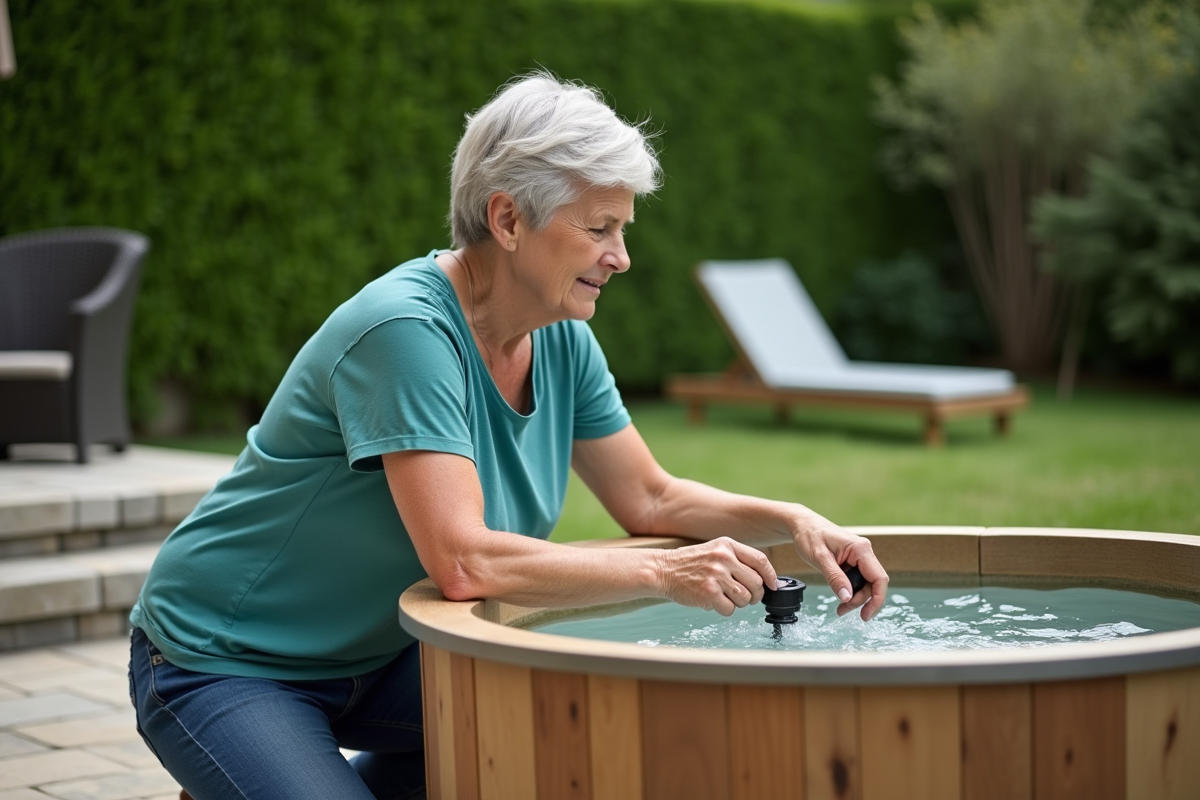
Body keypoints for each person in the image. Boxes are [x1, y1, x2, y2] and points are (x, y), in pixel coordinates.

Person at [128, 72, 889, 800]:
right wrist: (664, 576)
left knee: (567, 731)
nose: (622, 257)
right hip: (227, 658)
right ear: (507, 219)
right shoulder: (406, 332)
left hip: (379, 656)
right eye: (600, 228)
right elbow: (462, 561)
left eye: (622, 229)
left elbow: (649, 495)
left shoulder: (559, 337)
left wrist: (795, 522)